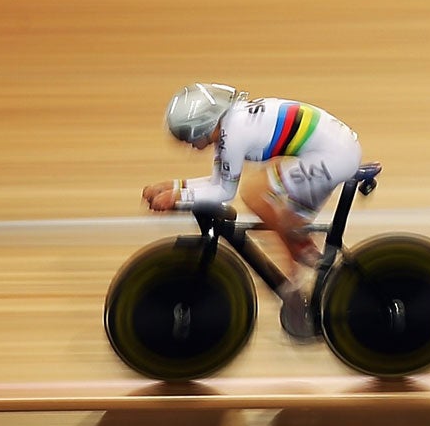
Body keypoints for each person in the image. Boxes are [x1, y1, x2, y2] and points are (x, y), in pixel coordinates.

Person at [143, 82, 364, 338]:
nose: (189, 145)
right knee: (286, 221)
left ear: (201, 126)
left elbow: (225, 191)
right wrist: (173, 187)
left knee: (255, 193)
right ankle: (300, 285)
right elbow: (219, 182)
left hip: (335, 157)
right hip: (332, 152)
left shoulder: (232, 134)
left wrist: (176, 196)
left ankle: (299, 269)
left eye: (187, 137)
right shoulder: (230, 123)